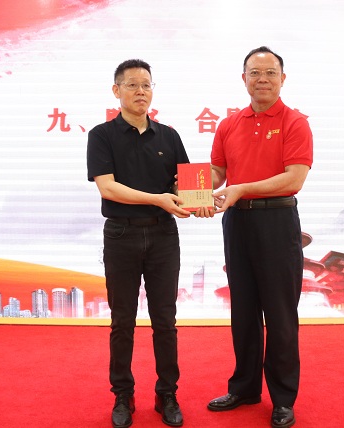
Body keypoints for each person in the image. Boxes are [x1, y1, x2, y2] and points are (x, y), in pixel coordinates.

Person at [197, 46, 313, 428]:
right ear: (244, 78)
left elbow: (294, 178)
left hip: (277, 222)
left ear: (283, 78)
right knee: (243, 311)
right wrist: (189, 189)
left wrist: (241, 188)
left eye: (270, 72)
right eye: (255, 72)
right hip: (237, 223)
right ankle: (244, 388)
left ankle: (283, 398)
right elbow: (218, 173)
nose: (262, 79)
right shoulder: (229, 124)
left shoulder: (295, 122)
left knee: (280, 315)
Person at [86, 59, 192, 428]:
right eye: (132, 85)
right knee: (122, 321)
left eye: (146, 85)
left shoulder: (169, 136)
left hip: (164, 236)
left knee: (165, 320)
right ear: (116, 91)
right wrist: (159, 199)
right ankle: (122, 395)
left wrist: (195, 199)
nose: (140, 91)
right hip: (121, 235)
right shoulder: (101, 135)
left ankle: (167, 394)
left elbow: (183, 184)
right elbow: (108, 188)